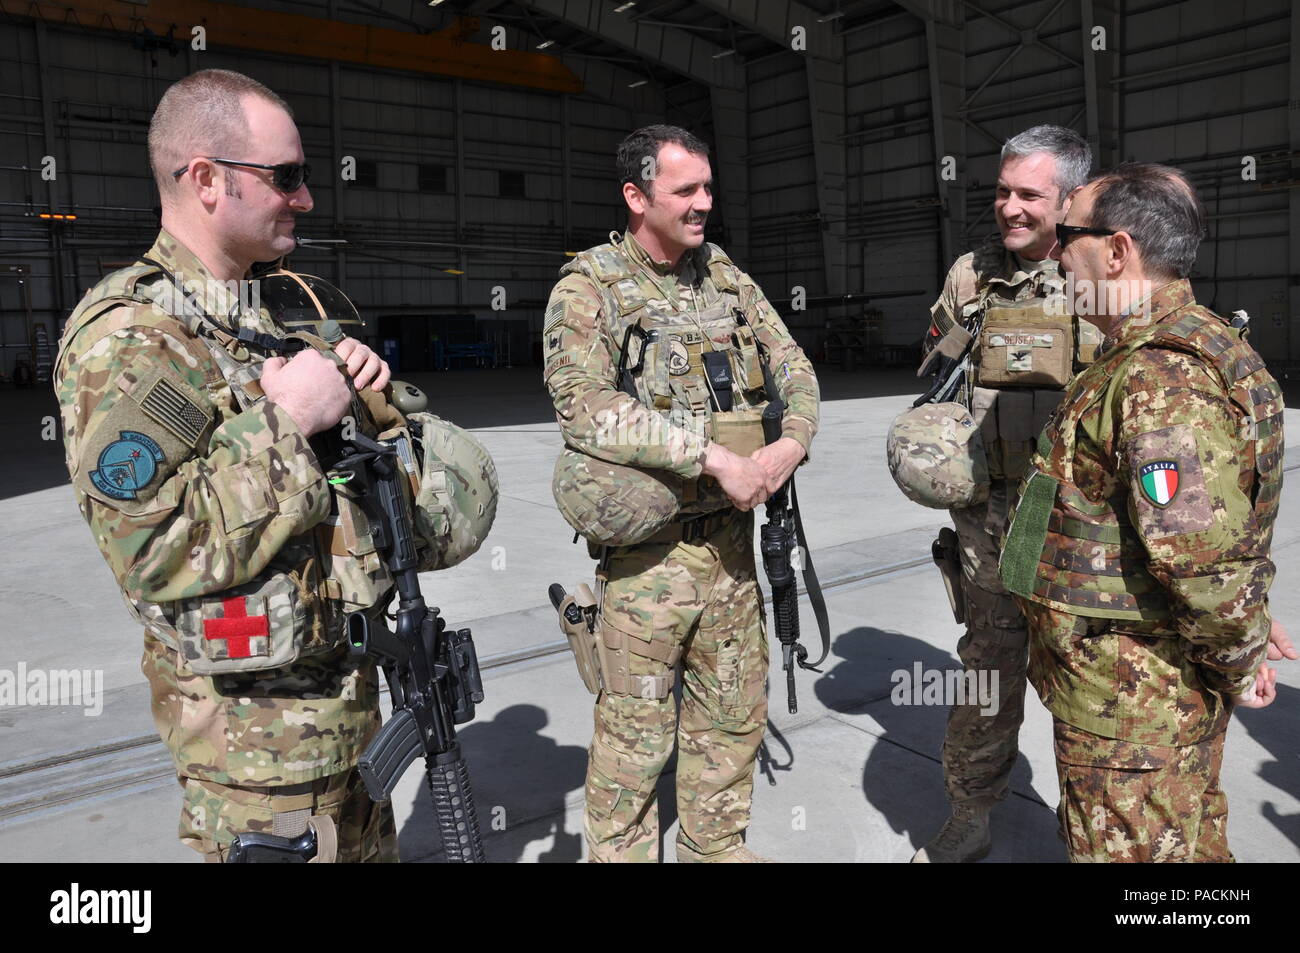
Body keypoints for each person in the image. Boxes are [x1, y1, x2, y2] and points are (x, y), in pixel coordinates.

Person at [54, 69, 402, 862]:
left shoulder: (268, 319)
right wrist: (289, 421)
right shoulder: (133, 337)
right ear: (206, 180)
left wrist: (371, 408)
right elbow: (148, 546)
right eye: (285, 177)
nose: (306, 198)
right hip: (259, 777)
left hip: (349, 736)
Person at [543, 125, 819, 862]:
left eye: (707, 186)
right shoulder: (589, 286)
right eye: (685, 190)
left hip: (731, 556)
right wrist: (711, 460)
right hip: (647, 567)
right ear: (637, 196)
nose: (704, 203)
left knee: (731, 721)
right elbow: (584, 405)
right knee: (633, 747)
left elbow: (796, 369)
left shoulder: (724, 276)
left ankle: (715, 850)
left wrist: (788, 446)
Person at [1000, 162, 1290, 861]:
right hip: (1133, 697)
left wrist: (1241, 650)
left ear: (1118, 250)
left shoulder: (1162, 375)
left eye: (1068, 235)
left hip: (1136, 708)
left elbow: (1202, 562)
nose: (1054, 252)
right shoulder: (1170, 349)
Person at [908, 125, 1096, 863]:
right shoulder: (972, 273)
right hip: (990, 519)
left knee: (1085, 682)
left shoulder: (1106, 272)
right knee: (986, 671)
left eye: (1029, 194)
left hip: (1078, 525)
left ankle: (1092, 832)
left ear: (1071, 198)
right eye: (1002, 191)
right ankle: (970, 813)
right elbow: (939, 368)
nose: (1009, 208)